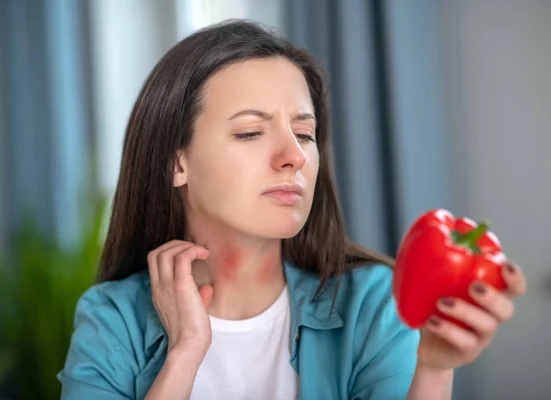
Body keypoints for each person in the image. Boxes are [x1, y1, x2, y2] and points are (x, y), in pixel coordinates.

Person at [58, 19, 527, 399]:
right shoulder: (111, 319)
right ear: (176, 162)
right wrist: (185, 352)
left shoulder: (375, 304)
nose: (295, 156)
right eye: (249, 132)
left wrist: (434, 371)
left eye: (304, 134)